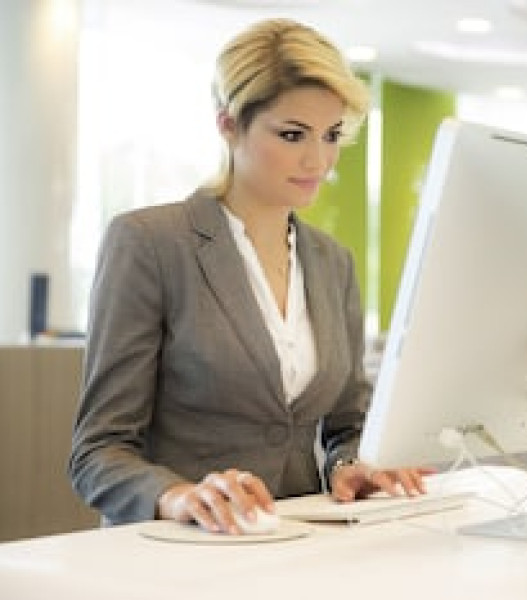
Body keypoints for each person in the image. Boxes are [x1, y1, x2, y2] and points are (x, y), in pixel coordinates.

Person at [69, 18, 431, 535]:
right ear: (229, 124)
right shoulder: (150, 242)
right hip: (179, 548)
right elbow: (98, 452)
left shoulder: (333, 262)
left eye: (331, 135)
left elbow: (345, 426)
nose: (319, 160)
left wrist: (349, 466)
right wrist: (177, 497)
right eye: (292, 135)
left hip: (298, 543)